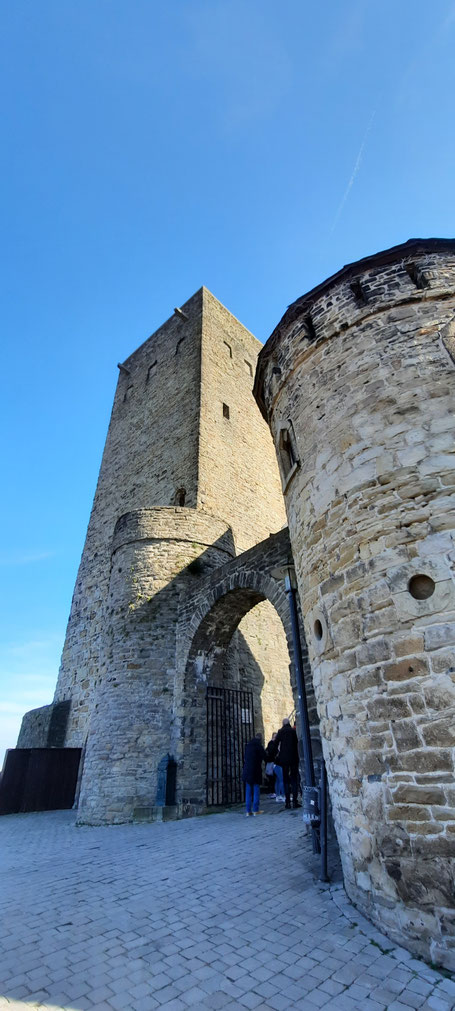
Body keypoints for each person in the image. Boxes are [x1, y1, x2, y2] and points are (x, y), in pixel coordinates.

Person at [274, 718, 300, 809]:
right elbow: (297, 742)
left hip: (284, 759)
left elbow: (275, 743)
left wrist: (276, 755)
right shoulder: (293, 731)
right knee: (294, 779)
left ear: (283, 723)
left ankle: (287, 802)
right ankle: (295, 801)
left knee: (285, 780)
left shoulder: (280, 732)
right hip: (293, 758)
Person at [242, 732, 267, 816]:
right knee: (256, 789)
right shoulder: (258, 746)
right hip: (255, 770)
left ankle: (248, 810)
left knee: (248, 790)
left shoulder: (248, 746)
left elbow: (245, 757)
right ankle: (256, 809)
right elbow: (265, 756)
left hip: (247, 770)